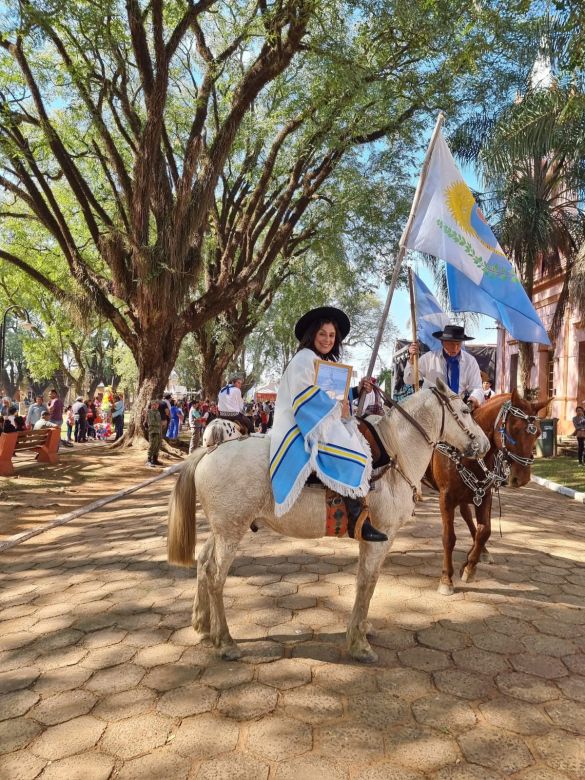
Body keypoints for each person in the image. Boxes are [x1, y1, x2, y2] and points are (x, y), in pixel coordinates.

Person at [270, 306, 387, 543]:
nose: (327, 340)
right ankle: (357, 519)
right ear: (313, 334)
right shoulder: (304, 359)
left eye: (332, 336)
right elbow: (306, 398)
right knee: (355, 450)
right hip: (298, 425)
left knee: (353, 434)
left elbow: (331, 395)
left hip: (315, 420)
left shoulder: (317, 361)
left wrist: (355, 391)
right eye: (323, 334)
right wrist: (337, 409)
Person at [404, 324, 484, 409]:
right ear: (442, 342)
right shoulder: (428, 358)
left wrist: (474, 399)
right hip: (431, 408)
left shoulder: (470, 361)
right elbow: (409, 380)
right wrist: (412, 361)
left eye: (458, 344)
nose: (455, 348)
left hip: (458, 408)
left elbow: (477, 387)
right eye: (451, 344)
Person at [145, 399, 164, 468]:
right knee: (152, 445)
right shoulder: (150, 412)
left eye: (156, 405)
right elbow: (151, 422)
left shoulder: (157, 412)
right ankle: (148, 460)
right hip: (153, 431)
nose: (155, 406)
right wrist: (160, 423)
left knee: (157, 445)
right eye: (154, 405)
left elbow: (159, 422)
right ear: (151, 405)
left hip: (158, 431)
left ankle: (155, 459)